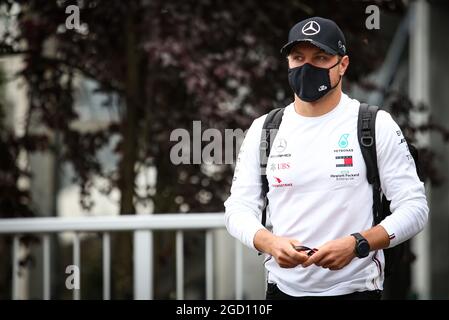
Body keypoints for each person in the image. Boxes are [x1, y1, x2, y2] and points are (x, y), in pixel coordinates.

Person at [224, 16, 429, 300]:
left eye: (321, 58)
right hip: (282, 290)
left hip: (357, 290)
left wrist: (358, 244)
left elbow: (415, 208)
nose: (307, 67)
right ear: (288, 62)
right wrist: (270, 243)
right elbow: (238, 208)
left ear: (342, 64)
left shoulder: (374, 124)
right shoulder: (265, 129)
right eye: (298, 57)